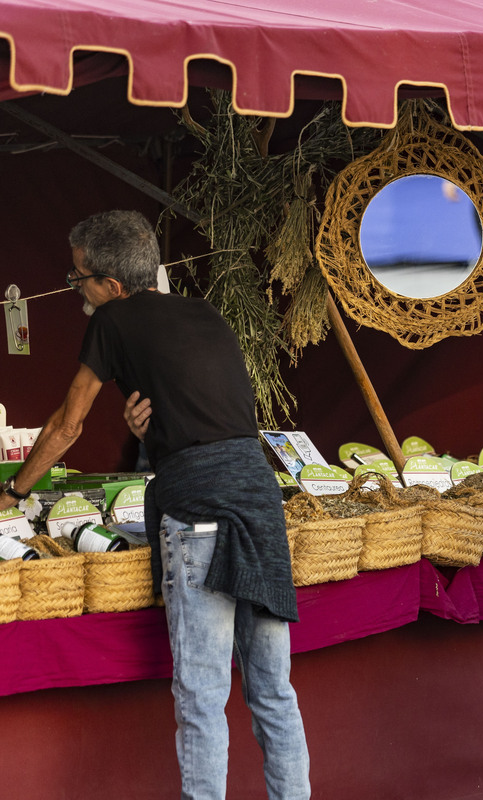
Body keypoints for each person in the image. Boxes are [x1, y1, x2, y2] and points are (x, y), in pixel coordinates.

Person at [0, 210, 310, 800]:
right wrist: (146, 431)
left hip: (199, 505)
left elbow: (67, 426)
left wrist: (13, 492)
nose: (78, 291)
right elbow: (209, 413)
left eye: (79, 279)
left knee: (201, 695)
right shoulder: (205, 313)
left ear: (111, 288)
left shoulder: (111, 319)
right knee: (273, 691)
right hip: (258, 498)